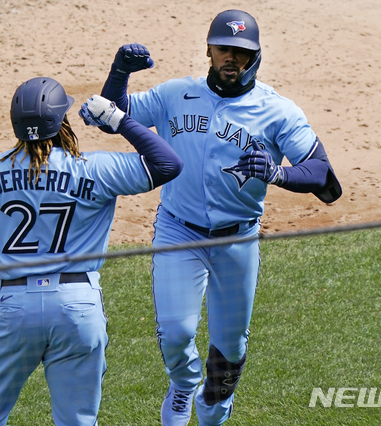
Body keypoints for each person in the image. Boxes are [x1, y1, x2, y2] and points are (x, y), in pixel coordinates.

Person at [97, 10, 342, 426]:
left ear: (256, 56)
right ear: (208, 50)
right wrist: (119, 71)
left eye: (242, 52)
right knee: (175, 334)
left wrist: (277, 173)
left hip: (237, 241)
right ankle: (182, 383)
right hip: (179, 232)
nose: (232, 58)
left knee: (229, 350)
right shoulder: (175, 94)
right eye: (224, 49)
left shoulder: (277, 111)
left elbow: (325, 178)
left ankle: (215, 411)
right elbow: (114, 114)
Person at [0, 76, 182, 426]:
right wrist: (119, 119)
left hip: (14, 310)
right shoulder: (96, 168)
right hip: (77, 307)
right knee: (77, 421)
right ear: (61, 120)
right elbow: (167, 164)